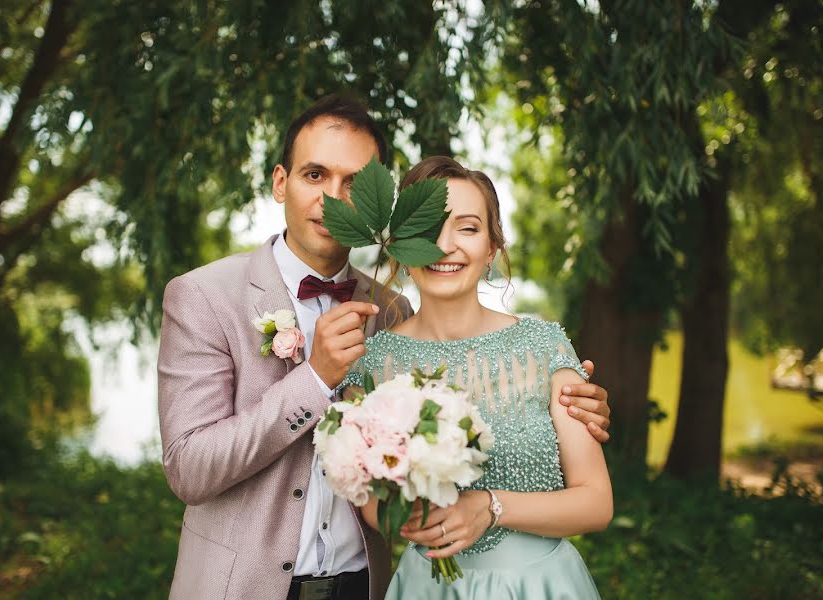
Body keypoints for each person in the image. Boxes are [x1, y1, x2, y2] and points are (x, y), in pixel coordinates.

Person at [157, 96, 612, 600]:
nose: (332, 199)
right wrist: (314, 378)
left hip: (365, 586)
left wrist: (573, 404)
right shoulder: (204, 296)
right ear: (281, 182)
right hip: (243, 588)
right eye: (314, 175)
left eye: (353, 183)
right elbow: (190, 468)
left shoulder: (390, 312)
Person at [348, 156, 612, 599]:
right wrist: (415, 515)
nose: (444, 245)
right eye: (426, 227)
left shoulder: (544, 348)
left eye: (467, 228)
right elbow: (373, 505)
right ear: (399, 245)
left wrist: (490, 507)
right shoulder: (372, 365)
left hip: (538, 587)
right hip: (427, 588)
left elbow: (597, 503)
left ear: (492, 248)